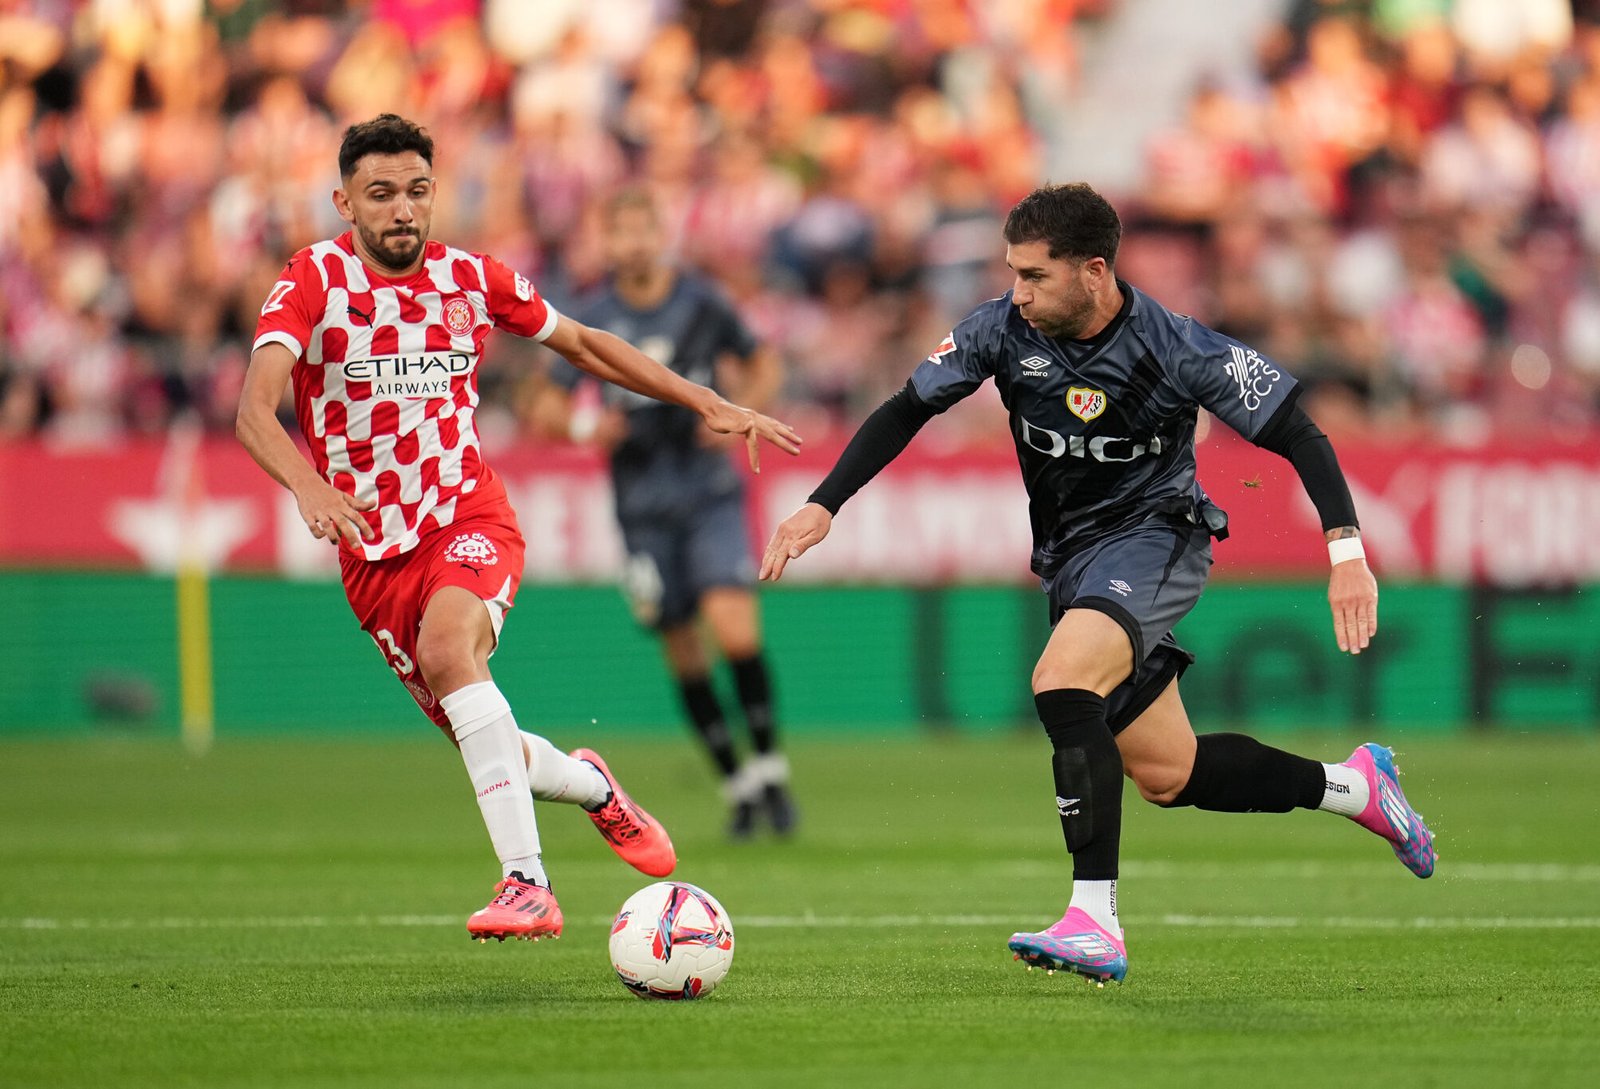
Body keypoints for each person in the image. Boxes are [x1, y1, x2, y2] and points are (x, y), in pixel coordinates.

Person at [760, 183, 1434, 984]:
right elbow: (907, 408)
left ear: (1094, 270)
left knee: (1061, 677)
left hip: (1158, 537)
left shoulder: (1175, 346)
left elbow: (1298, 429)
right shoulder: (1000, 331)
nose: (1018, 292)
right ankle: (1357, 787)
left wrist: (1346, 552)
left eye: (1035, 276)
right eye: (1013, 272)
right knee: (1169, 773)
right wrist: (823, 503)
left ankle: (1095, 917)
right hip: (1075, 559)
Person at [236, 114, 800, 944]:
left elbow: (584, 344)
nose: (402, 210)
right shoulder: (312, 279)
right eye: (381, 193)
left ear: (436, 196)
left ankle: (526, 882)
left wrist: (703, 398)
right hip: (371, 552)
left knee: (448, 652)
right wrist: (308, 484)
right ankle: (594, 787)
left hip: (467, 517)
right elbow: (253, 407)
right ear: (345, 201)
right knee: (484, 731)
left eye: (417, 191)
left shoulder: (471, 277)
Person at [532, 188, 797, 839]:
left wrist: (739, 411)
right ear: (607, 241)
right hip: (643, 505)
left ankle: (769, 767)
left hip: (707, 490)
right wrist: (585, 424)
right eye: (618, 232)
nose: (633, 243)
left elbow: (764, 362)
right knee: (681, 645)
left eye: (642, 229)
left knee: (733, 628)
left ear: (661, 233)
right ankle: (737, 783)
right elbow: (543, 404)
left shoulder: (701, 301)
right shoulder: (592, 314)